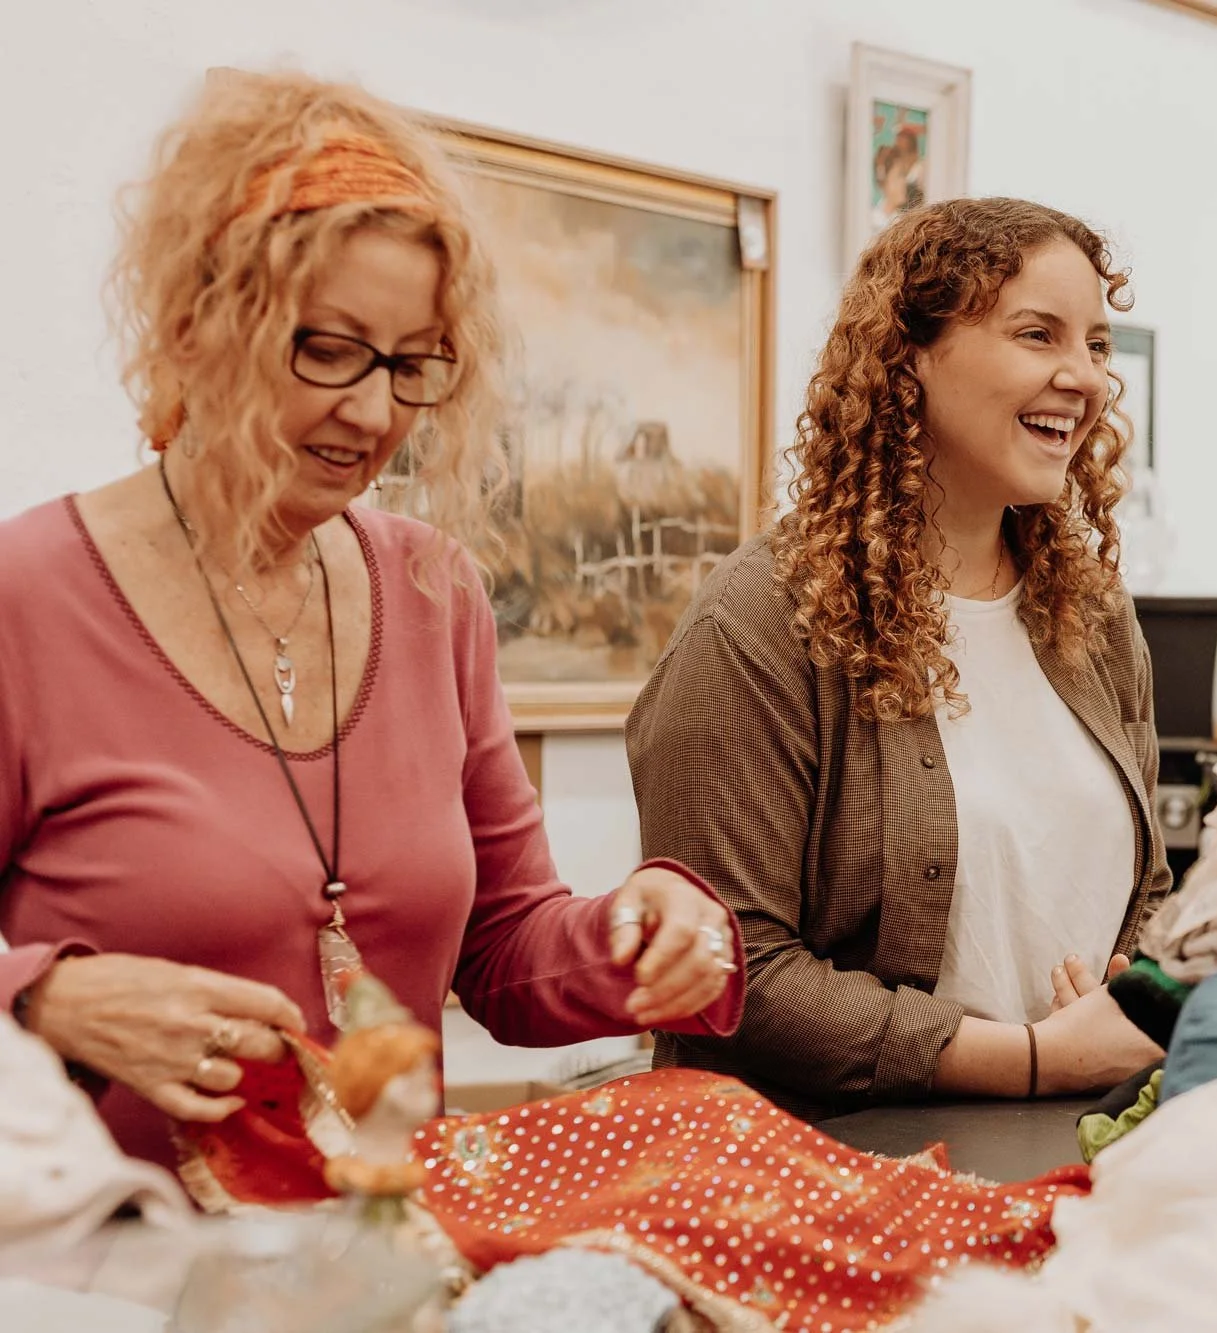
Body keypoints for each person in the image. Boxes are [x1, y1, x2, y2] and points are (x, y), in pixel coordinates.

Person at [0, 70, 743, 1175]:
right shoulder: (28, 594)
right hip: (98, 1270)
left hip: (379, 1257)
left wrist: (650, 928)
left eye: (409, 364)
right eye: (327, 348)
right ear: (202, 323)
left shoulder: (435, 592)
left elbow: (504, 949)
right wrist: (44, 995)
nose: (372, 409)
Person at [626, 197, 1170, 1118]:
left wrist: (1136, 997)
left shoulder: (1093, 613)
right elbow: (736, 971)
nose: (1085, 378)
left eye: (1098, 346)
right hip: (832, 1185)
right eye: (1038, 335)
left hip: (1074, 1143)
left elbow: (1147, 885)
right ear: (907, 355)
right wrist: (1031, 1057)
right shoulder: (760, 619)